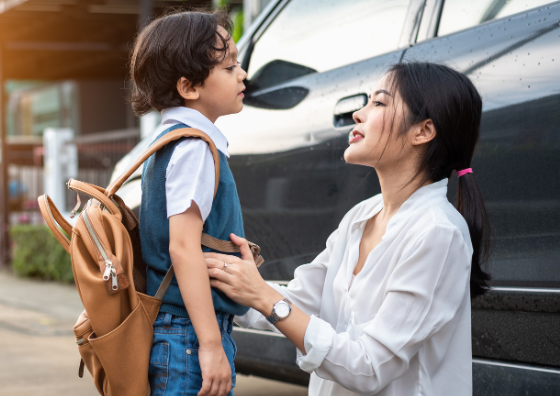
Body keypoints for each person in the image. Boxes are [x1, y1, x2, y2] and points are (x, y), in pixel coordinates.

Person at [204, 62, 491, 396]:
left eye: (379, 103)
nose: (358, 114)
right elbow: (297, 301)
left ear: (423, 131)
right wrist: (233, 276)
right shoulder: (360, 218)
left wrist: (263, 296)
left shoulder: (438, 233)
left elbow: (370, 367)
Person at [130, 9, 248, 396]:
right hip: (189, 337)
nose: (242, 74)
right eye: (230, 67)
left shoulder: (170, 141)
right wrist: (211, 345)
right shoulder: (195, 147)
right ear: (189, 86)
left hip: (179, 332)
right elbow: (183, 248)